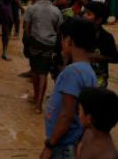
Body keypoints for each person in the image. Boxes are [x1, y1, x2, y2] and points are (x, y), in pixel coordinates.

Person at [41, 17, 98, 159]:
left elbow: (66, 115)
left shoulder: (72, 73)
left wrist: (50, 145)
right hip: (74, 140)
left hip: (62, 144)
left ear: (69, 41)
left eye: (62, 39)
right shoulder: (87, 70)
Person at [24, 0, 63, 114]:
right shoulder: (56, 11)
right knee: (43, 74)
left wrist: (27, 44)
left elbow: (27, 29)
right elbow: (59, 32)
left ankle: (36, 100)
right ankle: (39, 104)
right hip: (49, 45)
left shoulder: (32, 8)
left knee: (35, 72)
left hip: (35, 43)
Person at [76, 87, 118, 159]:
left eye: (79, 110)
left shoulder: (108, 156)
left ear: (89, 118)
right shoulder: (87, 133)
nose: (78, 115)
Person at [83, 1, 118, 89]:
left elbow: (115, 59)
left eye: (88, 14)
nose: (84, 16)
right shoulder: (79, 33)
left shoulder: (106, 37)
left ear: (99, 20)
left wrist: (96, 57)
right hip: (80, 77)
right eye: (84, 13)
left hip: (98, 80)